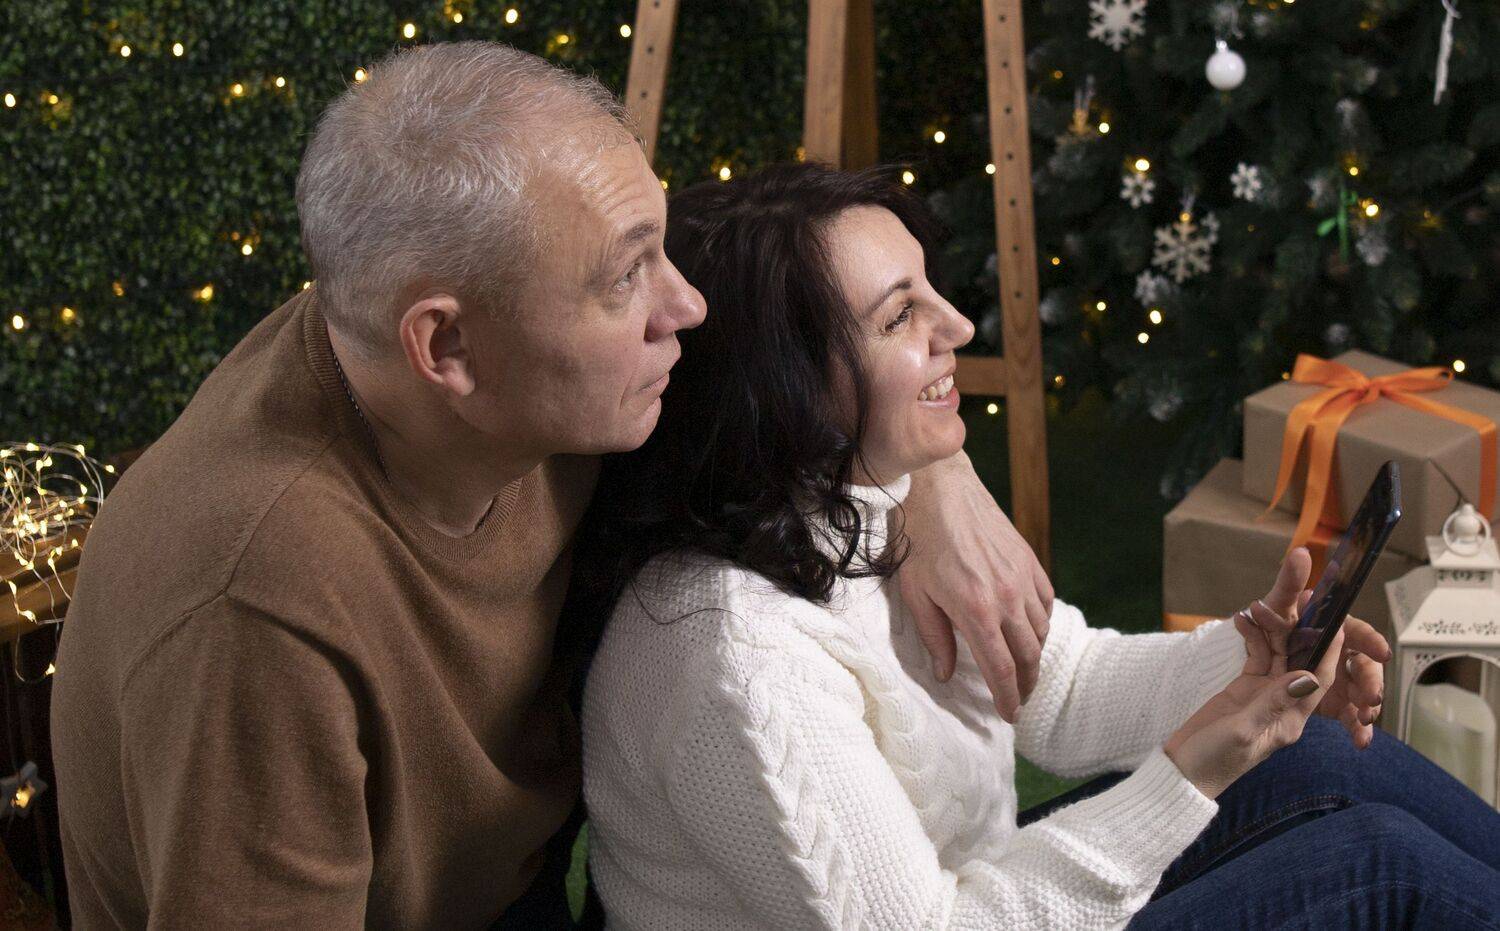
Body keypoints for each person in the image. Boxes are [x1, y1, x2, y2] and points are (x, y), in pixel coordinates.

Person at [49, 42, 1052, 928]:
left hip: (534, 880)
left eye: (661, 245)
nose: (688, 304)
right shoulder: (255, 606)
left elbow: (811, 299)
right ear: (446, 347)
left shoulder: (535, 323)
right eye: (626, 278)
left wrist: (939, 476)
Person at [575, 161, 1500, 928]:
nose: (958, 326)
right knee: (1382, 866)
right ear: (783, 385)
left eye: (930, 289)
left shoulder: (868, 497)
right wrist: (1197, 766)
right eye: (900, 316)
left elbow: (1064, 687)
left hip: (978, 892)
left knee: (1322, 757)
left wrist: (1251, 667)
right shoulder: (736, 657)